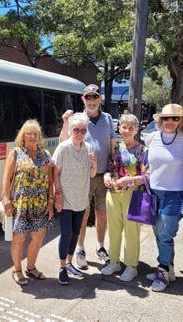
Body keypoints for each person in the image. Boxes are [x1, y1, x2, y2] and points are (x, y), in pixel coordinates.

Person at [59, 84, 117, 269]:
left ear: (100, 99)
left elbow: (113, 145)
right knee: (82, 214)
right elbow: (62, 142)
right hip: (83, 177)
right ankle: (80, 248)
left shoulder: (108, 118)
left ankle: (100, 247)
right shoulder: (78, 119)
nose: (92, 100)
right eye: (88, 97)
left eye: (95, 97)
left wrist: (113, 170)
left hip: (104, 176)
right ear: (83, 99)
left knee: (102, 213)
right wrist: (65, 123)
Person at [145, 103, 183, 292]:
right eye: (166, 118)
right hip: (153, 192)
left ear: (180, 121)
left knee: (165, 232)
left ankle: (162, 270)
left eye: (175, 118)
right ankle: (168, 268)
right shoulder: (152, 138)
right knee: (158, 231)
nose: (170, 122)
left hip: (176, 193)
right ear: (160, 120)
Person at [1, 119, 54, 285]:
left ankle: (31, 267)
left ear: (39, 136)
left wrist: (51, 200)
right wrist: (6, 199)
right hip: (20, 203)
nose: (32, 136)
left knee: (39, 235)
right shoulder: (16, 153)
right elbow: (7, 178)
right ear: (23, 136)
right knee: (20, 237)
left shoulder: (45, 155)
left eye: (35, 133)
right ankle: (17, 270)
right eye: (28, 133)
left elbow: (50, 179)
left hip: (40, 202)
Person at [101, 114, 149, 281]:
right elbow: (109, 168)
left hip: (133, 194)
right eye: (124, 127)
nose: (127, 130)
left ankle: (131, 265)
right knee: (113, 229)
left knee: (131, 231)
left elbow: (147, 176)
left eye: (131, 128)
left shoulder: (143, 150)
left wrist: (130, 179)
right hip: (113, 193)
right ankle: (114, 261)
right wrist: (106, 176)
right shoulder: (116, 148)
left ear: (136, 130)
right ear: (119, 128)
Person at [53, 113, 97, 285]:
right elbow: (55, 172)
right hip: (64, 199)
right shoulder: (63, 147)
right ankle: (62, 267)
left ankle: (70, 262)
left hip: (81, 199)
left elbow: (92, 174)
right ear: (71, 130)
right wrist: (58, 195)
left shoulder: (88, 149)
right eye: (76, 130)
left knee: (76, 234)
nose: (79, 133)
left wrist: (94, 164)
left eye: (83, 130)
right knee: (66, 234)